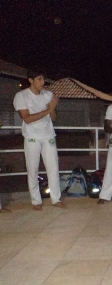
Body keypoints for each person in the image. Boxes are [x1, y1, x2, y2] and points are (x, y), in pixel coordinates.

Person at [13, 68, 66, 211]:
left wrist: (52, 108)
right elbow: (27, 119)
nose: (43, 82)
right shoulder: (21, 96)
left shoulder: (48, 95)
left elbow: (54, 118)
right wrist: (48, 110)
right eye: (39, 79)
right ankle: (36, 201)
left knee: (53, 168)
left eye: (43, 79)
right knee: (33, 169)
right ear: (31, 80)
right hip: (32, 137)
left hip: (48, 135)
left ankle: (56, 199)